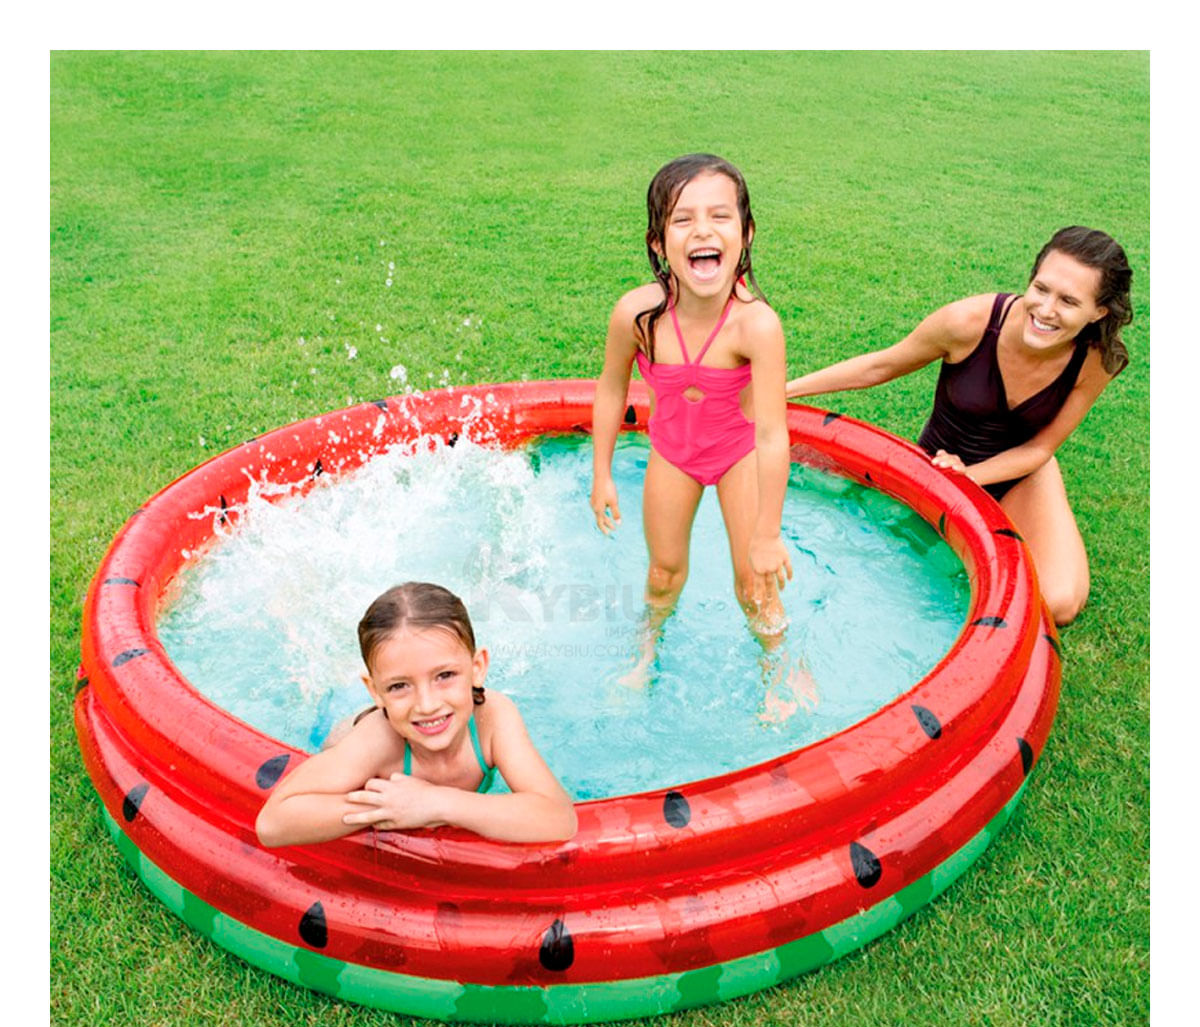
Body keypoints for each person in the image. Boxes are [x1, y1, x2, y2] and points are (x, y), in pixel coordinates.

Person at [785, 226, 1133, 627]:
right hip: (938, 469)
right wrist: (785, 390)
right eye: (1041, 288)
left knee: (1059, 604)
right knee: (907, 581)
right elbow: (882, 365)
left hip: (1020, 470)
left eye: (1069, 301)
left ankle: (1022, 520)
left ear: (1098, 312)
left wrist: (971, 476)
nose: (1045, 309)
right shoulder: (969, 323)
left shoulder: (1096, 360)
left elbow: (1040, 449)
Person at [590, 153, 811, 713]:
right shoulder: (638, 315)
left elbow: (770, 434)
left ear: (746, 233)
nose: (703, 230)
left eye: (720, 216)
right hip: (673, 454)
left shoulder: (756, 324)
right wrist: (602, 475)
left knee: (753, 582)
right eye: (683, 219)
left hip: (738, 454)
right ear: (660, 243)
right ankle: (645, 653)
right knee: (664, 572)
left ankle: (779, 667)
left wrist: (768, 531)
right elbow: (611, 390)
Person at [255, 582, 577, 846]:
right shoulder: (378, 740)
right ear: (376, 691)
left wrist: (436, 803)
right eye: (399, 686)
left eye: (445, 676)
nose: (426, 704)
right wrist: (387, 808)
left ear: (477, 668)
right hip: (345, 725)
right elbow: (273, 823)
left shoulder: (492, 718)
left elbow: (558, 818)